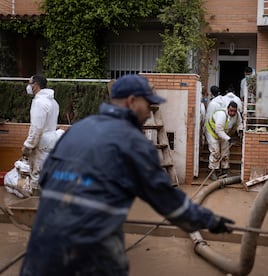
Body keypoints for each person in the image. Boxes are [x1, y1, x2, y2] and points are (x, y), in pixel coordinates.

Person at [20, 74, 234, 276]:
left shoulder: (77, 130)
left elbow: (46, 180)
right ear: (132, 101)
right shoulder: (134, 144)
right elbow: (169, 202)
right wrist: (210, 221)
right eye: (147, 105)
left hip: (38, 257)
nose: (150, 112)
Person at [21, 75, 61, 193]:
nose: (28, 86)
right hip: (51, 141)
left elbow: (37, 128)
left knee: (36, 175)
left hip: (41, 142)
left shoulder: (39, 102)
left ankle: (36, 203)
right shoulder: (53, 101)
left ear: (36, 86)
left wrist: (28, 145)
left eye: (30, 83)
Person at [205, 101, 243, 180]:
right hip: (212, 132)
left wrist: (240, 130)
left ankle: (224, 170)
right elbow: (219, 131)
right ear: (228, 109)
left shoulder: (237, 115)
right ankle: (213, 171)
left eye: (234, 111)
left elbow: (239, 123)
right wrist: (229, 139)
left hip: (225, 133)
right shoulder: (222, 115)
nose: (232, 113)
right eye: (231, 111)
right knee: (215, 152)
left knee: (225, 152)